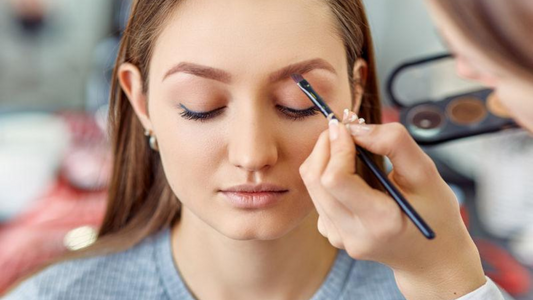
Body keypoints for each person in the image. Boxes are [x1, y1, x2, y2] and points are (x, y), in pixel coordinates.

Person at [2, 0, 512, 299]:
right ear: (141, 102)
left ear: (355, 93)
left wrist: (451, 283)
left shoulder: (442, 285)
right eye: (201, 107)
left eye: (296, 103)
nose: (252, 154)